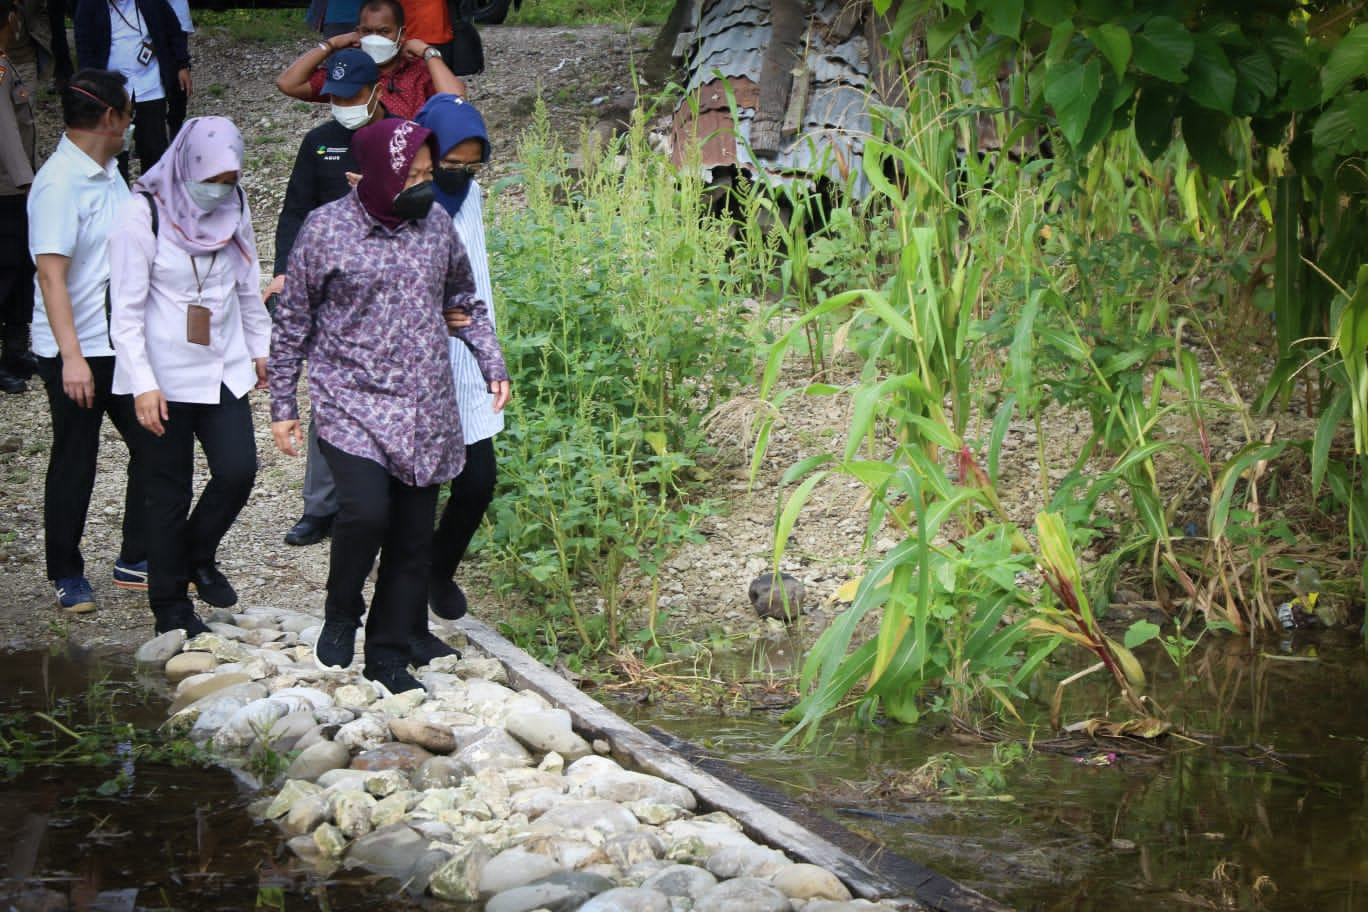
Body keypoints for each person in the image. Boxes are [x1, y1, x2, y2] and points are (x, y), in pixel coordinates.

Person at [269, 118, 510, 696]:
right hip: (349, 399)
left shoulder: (435, 228)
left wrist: (490, 362)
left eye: (430, 174)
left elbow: (464, 301)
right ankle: (340, 606)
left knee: (410, 537)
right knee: (366, 513)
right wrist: (283, 403)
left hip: (425, 404)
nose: (426, 185)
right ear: (378, 172)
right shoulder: (326, 230)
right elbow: (293, 322)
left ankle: (387, 657)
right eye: (415, 174)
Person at [108, 116, 269, 635]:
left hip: (222, 364)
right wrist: (142, 383)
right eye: (212, 179)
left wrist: (262, 348)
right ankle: (170, 607)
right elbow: (126, 312)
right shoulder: (142, 214)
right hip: (163, 374)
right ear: (187, 164)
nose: (219, 191)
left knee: (238, 469)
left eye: (229, 180)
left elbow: (248, 282)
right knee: (167, 490)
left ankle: (198, 555)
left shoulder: (236, 206)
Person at [26, 68, 146, 614]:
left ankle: (135, 557)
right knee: (77, 457)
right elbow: (51, 275)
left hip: (119, 342)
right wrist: (72, 358)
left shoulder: (109, 170)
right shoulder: (60, 183)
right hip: (76, 349)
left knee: (155, 445)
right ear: (109, 117)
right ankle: (66, 573)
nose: (131, 122)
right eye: (128, 113)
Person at [268, 47, 393, 548]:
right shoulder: (318, 142)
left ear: (377, 91)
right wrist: (283, 273)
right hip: (330, 290)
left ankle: (385, 504)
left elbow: (428, 209)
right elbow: (294, 211)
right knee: (328, 395)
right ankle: (320, 507)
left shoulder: (402, 139)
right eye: (335, 97)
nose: (342, 105)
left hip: (388, 289)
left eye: (352, 96)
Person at [414, 92, 499, 623]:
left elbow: (478, 277)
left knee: (478, 480)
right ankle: (403, 598)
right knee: (420, 483)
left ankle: (438, 569)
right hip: (415, 358)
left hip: (469, 357)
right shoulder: (401, 199)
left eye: (471, 167)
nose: (460, 175)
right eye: (450, 164)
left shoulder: (470, 198)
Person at [274, 0, 463, 122]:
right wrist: (330, 45)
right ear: (357, 32)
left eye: (384, 32)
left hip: (409, 160)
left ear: (401, 33)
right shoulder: (348, 69)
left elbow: (456, 100)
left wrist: (427, 51)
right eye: (367, 31)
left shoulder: (419, 71)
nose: (375, 38)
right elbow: (288, 84)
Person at [73, 0, 189, 179]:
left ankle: (153, 199)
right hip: (111, 90)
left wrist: (182, 65)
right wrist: (91, 85)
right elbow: (85, 46)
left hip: (150, 84)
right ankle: (120, 201)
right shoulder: (90, 5)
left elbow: (173, 30)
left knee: (154, 148)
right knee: (115, 153)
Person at [0, 0, 37, 394]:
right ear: (11, 20)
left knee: (21, 270)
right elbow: (5, 128)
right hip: (8, 189)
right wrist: (28, 183)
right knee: (6, 272)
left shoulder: (3, 62)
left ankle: (15, 349)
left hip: (14, 185)